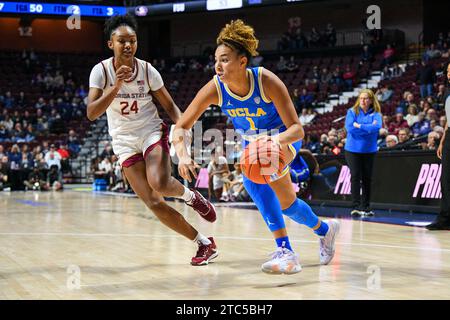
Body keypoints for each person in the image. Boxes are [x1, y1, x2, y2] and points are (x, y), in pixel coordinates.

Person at [173, 20, 339, 275]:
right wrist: (183, 156)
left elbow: (297, 128)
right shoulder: (215, 88)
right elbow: (181, 127)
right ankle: (322, 232)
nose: (218, 65)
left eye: (225, 59)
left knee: (267, 175)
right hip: (254, 144)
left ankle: (287, 251)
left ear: (242, 61)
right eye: (216, 59)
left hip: (282, 138)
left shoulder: (266, 81)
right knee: (283, 201)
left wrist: (272, 142)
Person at [87, 14, 218, 266]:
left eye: (133, 41)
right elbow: (92, 113)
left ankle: (192, 198)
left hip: (150, 131)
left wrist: (184, 140)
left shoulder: (147, 70)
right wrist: (115, 86)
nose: (128, 46)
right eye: (122, 41)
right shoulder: (100, 71)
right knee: (153, 203)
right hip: (124, 142)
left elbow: (171, 108)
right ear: (110, 44)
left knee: (159, 182)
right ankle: (204, 243)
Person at [344, 89, 382, 217]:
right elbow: (350, 128)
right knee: (355, 176)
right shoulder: (352, 112)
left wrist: (359, 126)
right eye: (361, 98)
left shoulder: (376, 114)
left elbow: (376, 128)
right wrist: (368, 129)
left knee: (367, 178)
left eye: (366, 98)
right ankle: (355, 206)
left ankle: (366, 207)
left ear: (371, 100)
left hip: (369, 150)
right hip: (352, 150)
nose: (363, 101)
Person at [427, 62, 450, 230]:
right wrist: (442, 140)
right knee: (446, 179)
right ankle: (445, 218)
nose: (449, 73)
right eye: (448, 70)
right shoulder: (447, 93)